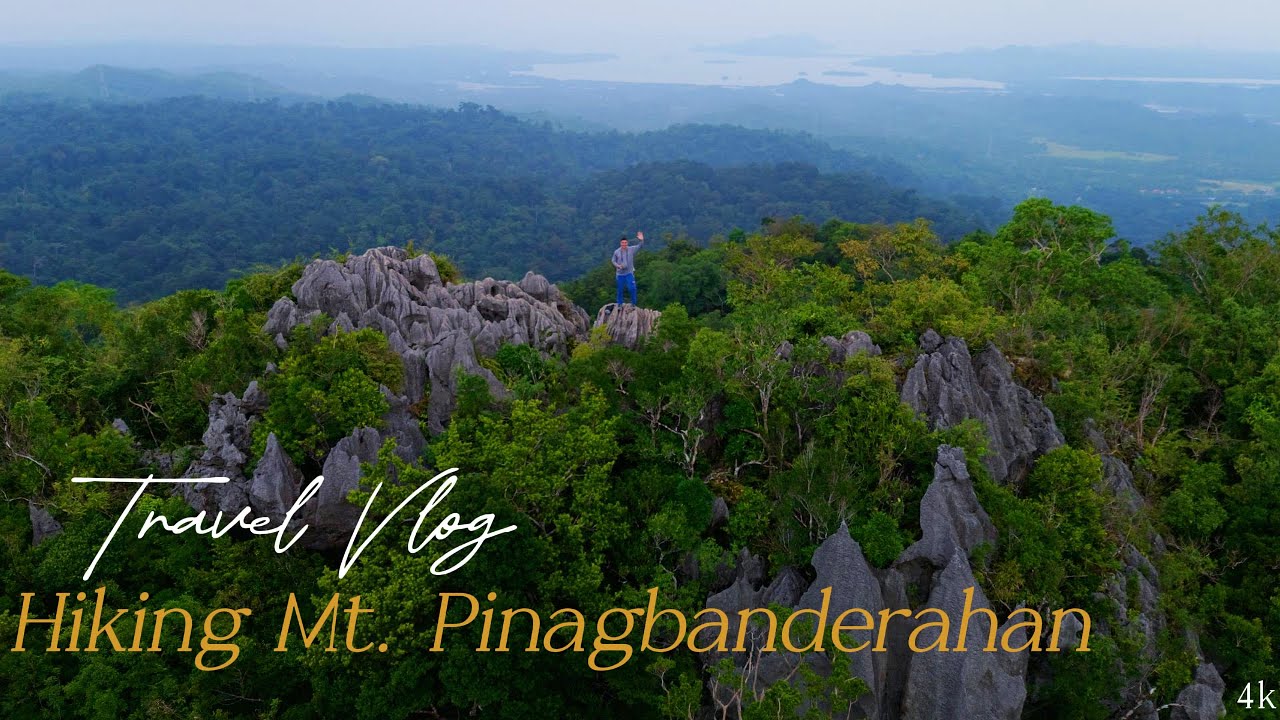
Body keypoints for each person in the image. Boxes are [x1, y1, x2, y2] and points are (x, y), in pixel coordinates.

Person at [612, 231, 644, 306]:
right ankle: (619, 304)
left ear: (627, 243)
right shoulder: (616, 252)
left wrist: (641, 240)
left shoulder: (631, 249)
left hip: (629, 273)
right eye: (622, 243)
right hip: (620, 274)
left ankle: (633, 304)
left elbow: (640, 246)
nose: (624, 244)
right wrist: (617, 266)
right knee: (620, 290)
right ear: (620, 243)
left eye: (625, 243)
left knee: (632, 288)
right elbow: (613, 260)